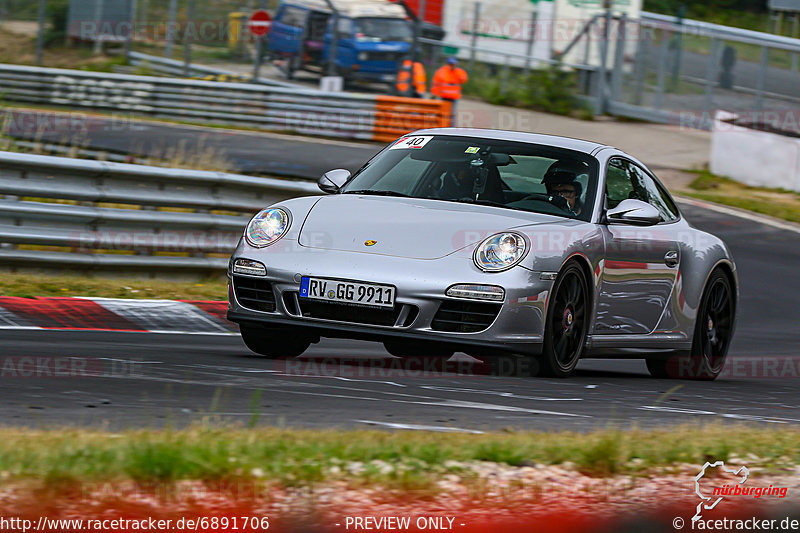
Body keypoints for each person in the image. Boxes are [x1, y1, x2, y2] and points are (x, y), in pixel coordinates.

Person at [431, 57, 468, 126]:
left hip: (454, 97)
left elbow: (464, 79)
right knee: (441, 113)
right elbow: (436, 83)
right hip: (443, 96)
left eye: (453, 64)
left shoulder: (459, 71)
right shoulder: (442, 71)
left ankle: (451, 127)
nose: (452, 65)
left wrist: (455, 71)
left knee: (452, 114)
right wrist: (434, 93)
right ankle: (439, 125)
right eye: (450, 64)